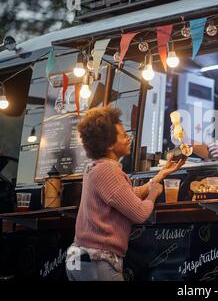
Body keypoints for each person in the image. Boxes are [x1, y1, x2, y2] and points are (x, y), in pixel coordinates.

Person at [65, 106, 186, 281]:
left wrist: (160, 175)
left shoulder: (97, 166)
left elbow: (127, 195)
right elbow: (139, 213)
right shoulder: (108, 170)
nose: (128, 138)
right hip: (97, 260)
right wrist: (153, 194)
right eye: (123, 135)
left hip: (82, 259)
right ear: (108, 144)